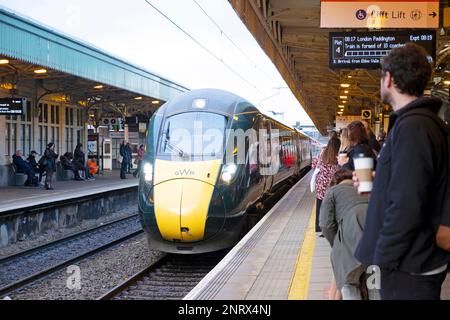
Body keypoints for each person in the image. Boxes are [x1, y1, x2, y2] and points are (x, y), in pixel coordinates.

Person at [355, 43, 450, 300]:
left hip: (408, 266)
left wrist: (383, 256)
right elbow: (413, 183)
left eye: (380, 77)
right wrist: (380, 181)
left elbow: (408, 202)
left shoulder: (413, 128)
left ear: (389, 79)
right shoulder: (423, 123)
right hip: (414, 262)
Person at [319, 169, 371, 300]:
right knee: (374, 282)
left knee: (349, 281)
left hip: (351, 236)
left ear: (335, 182)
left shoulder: (333, 191)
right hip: (378, 237)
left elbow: (325, 225)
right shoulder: (367, 188)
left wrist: (337, 243)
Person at [311, 135, 340, 233]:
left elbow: (313, 165)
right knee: (331, 207)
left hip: (321, 185)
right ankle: (330, 228)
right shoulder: (339, 155)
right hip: (332, 185)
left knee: (320, 205)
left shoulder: (322, 153)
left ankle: (319, 228)